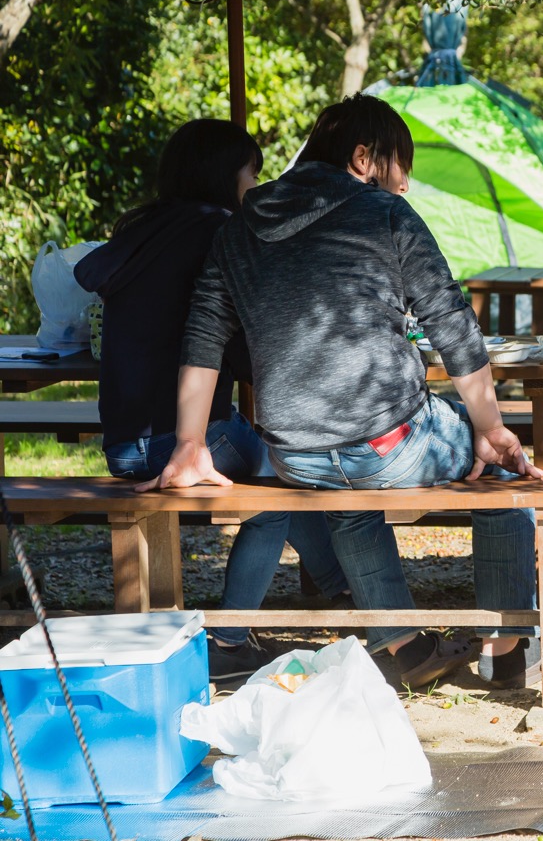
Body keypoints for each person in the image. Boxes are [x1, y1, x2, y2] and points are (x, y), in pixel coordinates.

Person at [141, 94, 543, 689]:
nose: (403, 188)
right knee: (504, 477)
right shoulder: (384, 215)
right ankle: (507, 646)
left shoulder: (240, 226)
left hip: (295, 457)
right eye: (400, 171)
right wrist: (492, 431)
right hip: (390, 444)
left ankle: (402, 645)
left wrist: (189, 444)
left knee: (348, 497)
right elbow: (452, 324)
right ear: (365, 157)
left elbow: (202, 334)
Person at [74, 119, 349, 680]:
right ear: (226, 175)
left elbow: (88, 270)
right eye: (252, 172)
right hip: (178, 439)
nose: (257, 185)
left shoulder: (144, 227)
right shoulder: (221, 231)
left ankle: (342, 588)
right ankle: (230, 639)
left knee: (269, 458)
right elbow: (248, 347)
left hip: (124, 438)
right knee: (282, 478)